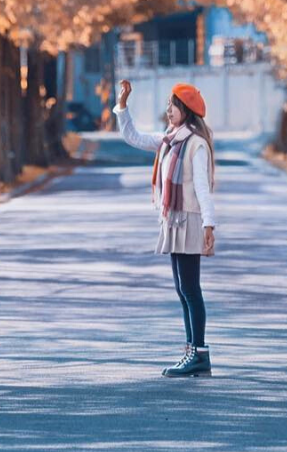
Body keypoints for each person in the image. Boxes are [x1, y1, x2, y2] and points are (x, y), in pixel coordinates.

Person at [114, 77, 217, 377]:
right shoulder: (169, 140)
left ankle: (199, 354)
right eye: (169, 105)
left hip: (189, 220)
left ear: (186, 109)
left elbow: (202, 186)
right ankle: (191, 351)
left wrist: (209, 224)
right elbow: (133, 137)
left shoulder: (196, 144)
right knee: (182, 290)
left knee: (191, 290)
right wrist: (122, 104)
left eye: (173, 106)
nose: (168, 110)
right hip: (173, 220)